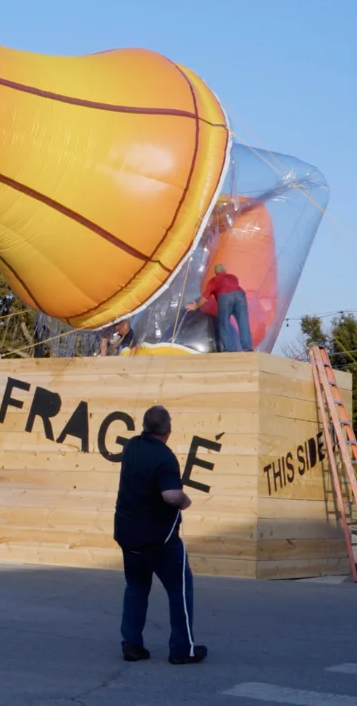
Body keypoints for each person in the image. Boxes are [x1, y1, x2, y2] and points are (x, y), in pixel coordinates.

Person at [113, 405, 207, 665]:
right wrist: (184, 500)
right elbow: (170, 495)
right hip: (159, 539)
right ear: (169, 429)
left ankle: (131, 645)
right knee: (179, 588)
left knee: (136, 588)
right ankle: (181, 649)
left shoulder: (131, 446)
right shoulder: (165, 458)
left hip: (128, 535)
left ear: (144, 426)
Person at [186, 264, 252, 353]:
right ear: (225, 270)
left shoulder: (213, 280)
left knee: (224, 324)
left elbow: (205, 297)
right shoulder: (233, 277)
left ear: (215, 272)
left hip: (225, 297)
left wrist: (197, 306)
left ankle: (230, 349)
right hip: (240, 296)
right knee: (243, 323)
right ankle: (247, 348)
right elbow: (232, 289)